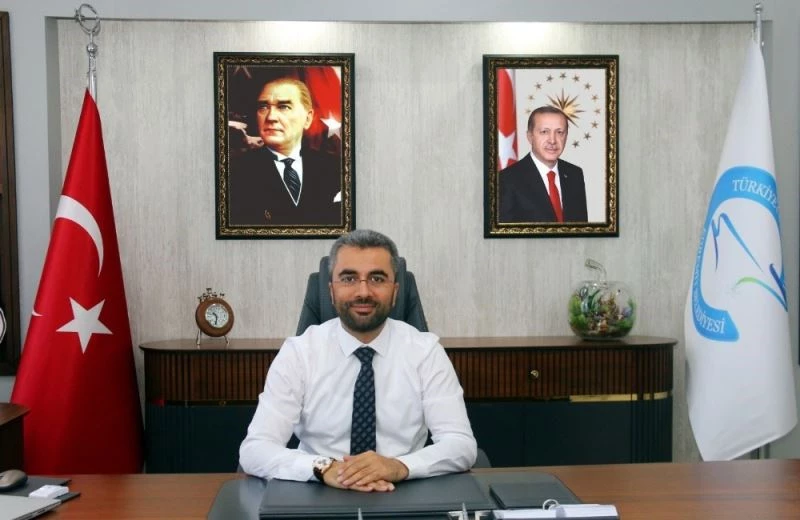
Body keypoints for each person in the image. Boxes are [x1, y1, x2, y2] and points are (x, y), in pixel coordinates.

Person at [239, 229, 477, 492]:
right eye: (349, 278)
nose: (363, 291)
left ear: (395, 291)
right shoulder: (299, 353)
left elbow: (460, 444)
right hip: (317, 490)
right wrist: (325, 468)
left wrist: (398, 466)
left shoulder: (425, 351)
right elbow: (255, 449)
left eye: (377, 278)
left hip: (402, 489)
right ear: (331, 290)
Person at [229, 77, 342, 226]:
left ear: (307, 119)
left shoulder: (336, 169)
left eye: (284, 107)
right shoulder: (233, 172)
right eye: (263, 107)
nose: (271, 117)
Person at [498, 106, 588, 223]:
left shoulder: (575, 174)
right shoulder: (507, 179)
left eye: (559, 132)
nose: (552, 140)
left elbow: (582, 229)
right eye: (544, 132)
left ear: (566, 136)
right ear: (530, 136)